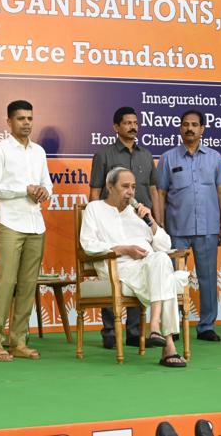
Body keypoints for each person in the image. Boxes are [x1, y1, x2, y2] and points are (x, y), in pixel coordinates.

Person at [80, 167, 189, 367]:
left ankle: (154, 327)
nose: (130, 192)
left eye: (133, 187)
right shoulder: (95, 209)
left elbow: (165, 245)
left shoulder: (138, 213)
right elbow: (88, 244)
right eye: (125, 187)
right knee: (168, 280)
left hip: (148, 268)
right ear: (110, 187)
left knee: (161, 259)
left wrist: (151, 222)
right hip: (118, 268)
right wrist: (124, 249)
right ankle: (168, 346)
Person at [0, 100, 53, 362]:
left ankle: (18, 341)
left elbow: (48, 184)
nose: (26, 123)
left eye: (29, 118)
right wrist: (24, 190)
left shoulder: (39, 151)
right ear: (9, 121)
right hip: (11, 223)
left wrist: (44, 191)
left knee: (28, 284)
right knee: (6, 282)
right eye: (21, 118)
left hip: (36, 223)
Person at [88, 106, 162, 349]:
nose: (133, 127)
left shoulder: (146, 155)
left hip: (138, 223)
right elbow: (95, 191)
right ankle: (110, 332)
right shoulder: (104, 155)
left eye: (135, 123)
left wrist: (157, 221)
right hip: (111, 223)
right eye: (128, 123)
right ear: (116, 127)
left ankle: (134, 333)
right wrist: (95, 221)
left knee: (141, 269)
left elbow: (153, 190)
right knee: (113, 270)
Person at [156, 110, 221, 342]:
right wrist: (160, 226)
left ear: (202, 129)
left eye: (195, 125)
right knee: (173, 278)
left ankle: (206, 326)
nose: (190, 128)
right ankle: (173, 326)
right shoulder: (168, 158)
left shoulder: (215, 157)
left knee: (208, 278)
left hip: (208, 228)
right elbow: (160, 193)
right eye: (186, 124)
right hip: (176, 229)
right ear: (180, 128)